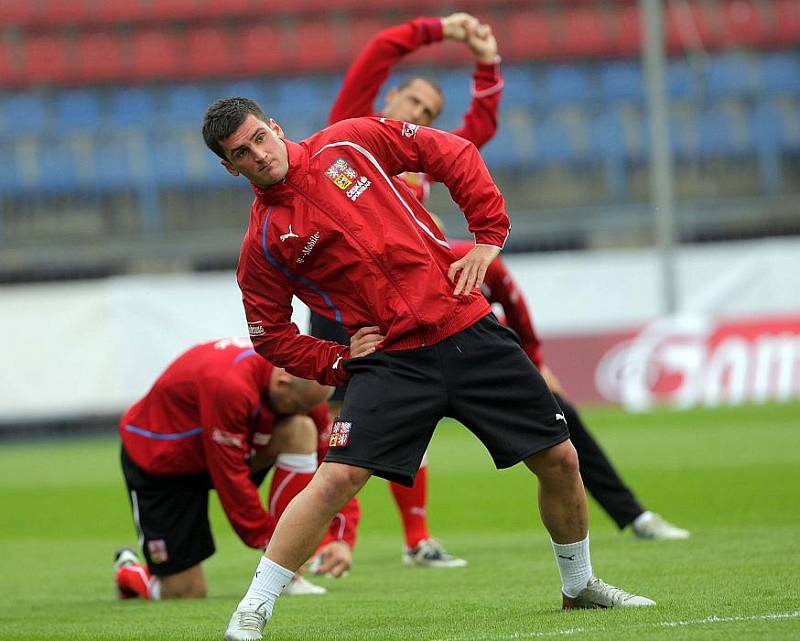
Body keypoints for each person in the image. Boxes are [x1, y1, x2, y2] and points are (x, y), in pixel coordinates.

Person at [201, 97, 655, 641]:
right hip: (390, 362)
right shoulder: (264, 242)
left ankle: (579, 586)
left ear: (275, 127)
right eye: (241, 154)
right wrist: (337, 360)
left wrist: (488, 237)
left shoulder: (351, 140)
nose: (258, 154)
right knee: (336, 479)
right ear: (230, 168)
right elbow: (269, 334)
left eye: (258, 138)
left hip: (465, 326)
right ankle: (253, 610)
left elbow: (452, 152)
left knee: (559, 459)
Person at [309, 12, 502, 568]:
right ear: (391, 95)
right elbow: (377, 49)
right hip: (338, 305)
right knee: (331, 425)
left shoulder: (416, 159)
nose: (419, 114)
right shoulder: (349, 131)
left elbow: (477, 134)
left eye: (429, 113)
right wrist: (442, 28)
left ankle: (415, 539)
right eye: (414, 102)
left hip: (398, 305)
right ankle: (327, 541)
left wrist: (487, 63)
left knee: (403, 418)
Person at [446, 238, 689, 540]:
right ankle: (416, 540)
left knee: (563, 427)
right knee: (374, 453)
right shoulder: (394, 267)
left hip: (481, 369)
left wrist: (535, 365)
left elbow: (516, 310)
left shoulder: (476, 259)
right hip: (415, 368)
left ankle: (636, 516)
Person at [114, 337, 359, 601]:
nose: (305, 411)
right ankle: (128, 571)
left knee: (300, 430)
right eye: (299, 406)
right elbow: (230, 479)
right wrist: (274, 547)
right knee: (185, 592)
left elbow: (333, 466)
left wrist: (339, 538)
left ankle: (288, 577)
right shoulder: (231, 386)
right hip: (163, 464)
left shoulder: (301, 389)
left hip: (225, 447)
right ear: (282, 382)